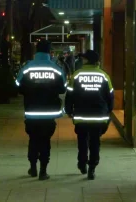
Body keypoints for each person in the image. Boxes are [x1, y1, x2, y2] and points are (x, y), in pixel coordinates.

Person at [15, 40, 67, 180]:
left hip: (32, 112)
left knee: (33, 140)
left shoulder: (27, 67)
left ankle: (33, 168)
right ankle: (43, 171)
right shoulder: (56, 68)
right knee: (45, 141)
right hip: (49, 114)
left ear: (36, 51)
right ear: (49, 52)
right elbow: (63, 88)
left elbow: (18, 86)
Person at [64, 50, 114, 180]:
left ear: (87, 60)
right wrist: (108, 112)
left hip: (81, 115)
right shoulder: (104, 76)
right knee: (95, 142)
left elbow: (69, 95)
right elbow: (110, 97)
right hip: (99, 116)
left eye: (84, 58)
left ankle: (82, 163)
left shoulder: (77, 75)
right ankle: (92, 167)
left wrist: (68, 110)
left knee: (82, 140)